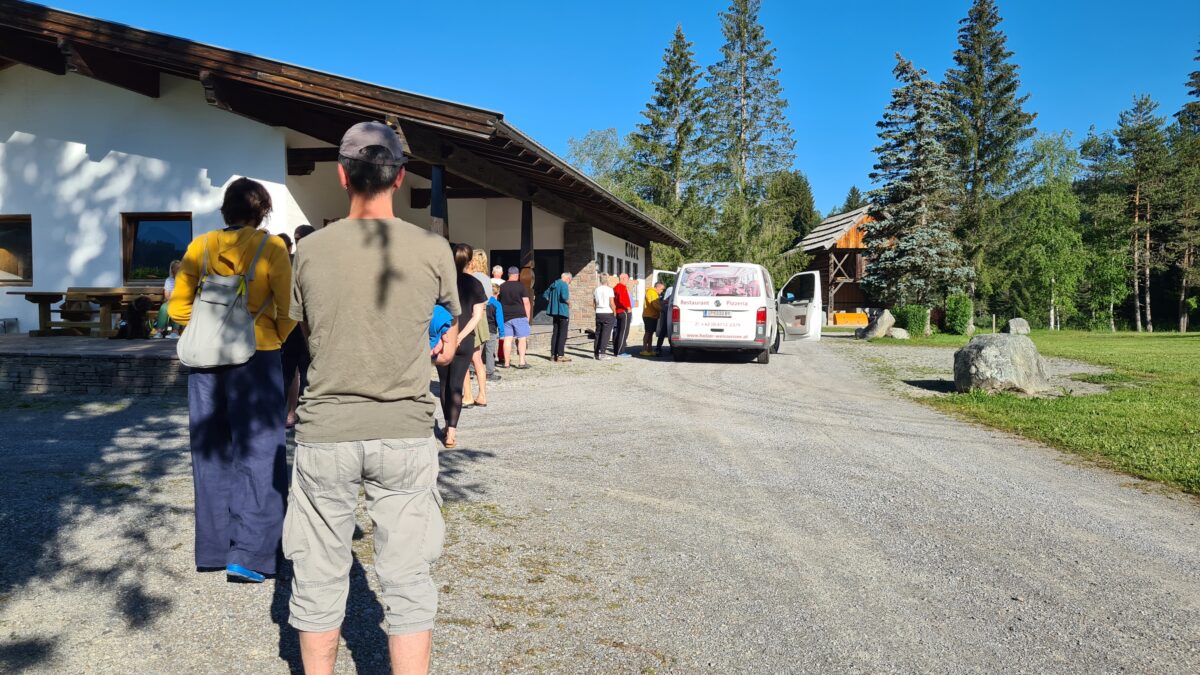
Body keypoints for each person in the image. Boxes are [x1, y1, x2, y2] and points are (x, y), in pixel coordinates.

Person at [285, 121, 460, 675]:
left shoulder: (308, 252)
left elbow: (309, 334)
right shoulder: (434, 249)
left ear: (342, 175)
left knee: (317, 575)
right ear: (400, 176)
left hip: (325, 431)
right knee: (408, 579)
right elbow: (446, 337)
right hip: (405, 428)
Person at [168, 178, 294, 584]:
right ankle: (251, 555)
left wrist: (208, 331)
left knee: (210, 451)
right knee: (259, 454)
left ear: (226, 209)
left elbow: (178, 308)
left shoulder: (200, 246)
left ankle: (214, 549)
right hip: (257, 358)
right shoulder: (271, 247)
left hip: (206, 361)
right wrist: (272, 333)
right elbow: (290, 306)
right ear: (262, 211)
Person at [439, 242, 487, 440]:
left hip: (443, 337)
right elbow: (477, 316)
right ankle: (452, 431)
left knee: (444, 385)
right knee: (456, 384)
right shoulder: (475, 283)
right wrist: (460, 335)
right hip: (465, 340)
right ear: (469, 261)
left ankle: (445, 425)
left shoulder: (442, 281)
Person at [282, 224, 315, 428]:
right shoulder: (289, 262)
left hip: (309, 325)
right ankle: (290, 413)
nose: (298, 244)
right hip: (290, 325)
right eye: (296, 240)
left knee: (307, 372)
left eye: (300, 239)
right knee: (287, 372)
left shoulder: (318, 262)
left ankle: (304, 414)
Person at [464, 250, 493, 406]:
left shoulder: (471, 278)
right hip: (482, 318)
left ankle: (467, 395)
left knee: (463, 358)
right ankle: (482, 395)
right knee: (477, 360)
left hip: (471, 317)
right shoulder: (487, 280)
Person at [499, 266, 532, 369]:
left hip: (506, 316)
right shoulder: (521, 286)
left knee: (507, 340)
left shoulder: (502, 286)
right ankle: (521, 362)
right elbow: (526, 302)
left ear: (508, 275)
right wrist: (528, 317)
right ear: (517, 275)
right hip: (519, 315)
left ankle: (506, 363)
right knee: (522, 339)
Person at [543, 272, 572, 362]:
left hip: (554, 312)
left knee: (555, 333)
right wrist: (569, 302)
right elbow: (564, 297)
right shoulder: (564, 285)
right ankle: (560, 356)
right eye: (569, 281)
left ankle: (553, 355)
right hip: (563, 312)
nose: (569, 282)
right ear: (567, 278)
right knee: (562, 334)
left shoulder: (554, 284)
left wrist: (552, 301)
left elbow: (545, 295)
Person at [155, 260, 182, 338]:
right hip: (170, 301)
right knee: (164, 307)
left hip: (181, 302)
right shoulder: (169, 280)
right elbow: (167, 295)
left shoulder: (185, 279)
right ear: (172, 270)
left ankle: (175, 332)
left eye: (179, 268)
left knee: (177, 306)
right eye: (176, 268)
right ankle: (159, 332)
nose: (178, 270)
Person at [593, 273, 616, 360]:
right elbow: (611, 303)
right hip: (607, 312)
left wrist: (597, 311)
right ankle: (602, 353)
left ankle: (596, 353)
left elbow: (594, 303)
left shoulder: (596, 290)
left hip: (599, 312)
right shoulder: (610, 290)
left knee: (598, 333)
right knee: (606, 334)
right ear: (607, 280)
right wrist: (614, 312)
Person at [485, 280, 504, 380]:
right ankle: (489, 372)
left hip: (481, 328)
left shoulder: (483, 302)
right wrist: (502, 333)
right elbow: (500, 320)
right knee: (489, 351)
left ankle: (472, 370)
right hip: (491, 330)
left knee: (477, 350)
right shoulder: (497, 304)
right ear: (498, 293)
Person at [640, 282, 665, 357]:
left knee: (651, 333)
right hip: (649, 316)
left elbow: (656, 303)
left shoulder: (654, 293)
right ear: (657, 287)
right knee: (648, 332)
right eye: (662, 289)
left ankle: (649, 350)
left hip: (653, 316)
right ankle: (644, 349)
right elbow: (653, 303)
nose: (662, 291)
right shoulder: (651, 292)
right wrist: (661, 310)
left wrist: (662, 303)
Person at [611, 272, 632, 357]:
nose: (628, 280)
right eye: (627, 279)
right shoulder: (621, 287)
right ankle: (621, 352)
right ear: (623, 278)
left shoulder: (615, 287)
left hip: (619, 312)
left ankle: (616, 351)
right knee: (624, 332)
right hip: (623, 311)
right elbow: (621, 299)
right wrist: (627, 307)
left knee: (619, 331)